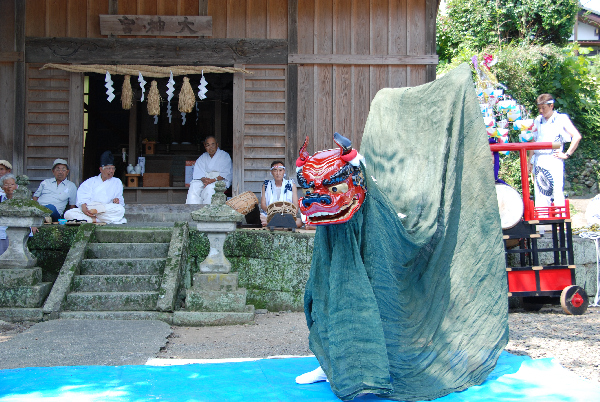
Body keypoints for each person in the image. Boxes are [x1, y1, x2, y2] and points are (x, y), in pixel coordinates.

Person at [528, 94, 582, 207]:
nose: (541, 111)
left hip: (554, 157)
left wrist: (567, 154)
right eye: (539, 108)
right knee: (540, 192)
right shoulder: (538, 120)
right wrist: (530, 162)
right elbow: (533, 141)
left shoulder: (561, 118)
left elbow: (576, 136)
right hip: (539, 159)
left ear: (551, 106)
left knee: (556, 190)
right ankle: (542, 221)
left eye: (544, 108)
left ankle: (558, 219)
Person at [64, 151, 126, 224]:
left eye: (113, 168)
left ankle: (92, 220)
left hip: (106, 209)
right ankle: (100, 220)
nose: (111, 171)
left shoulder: (117, 182)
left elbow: (120, 201)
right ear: (101, 169)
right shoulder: (90, 182)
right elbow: (82, 198)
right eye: (108, 168)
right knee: (68, 214)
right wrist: (83, 207)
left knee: (120, 210)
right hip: (90, 209)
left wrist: (117, 201)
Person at [186, 136, 232, 204]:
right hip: (206, 180)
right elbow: (198, 172)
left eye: (213, 144)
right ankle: (193, 208)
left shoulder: (224, 156)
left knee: (210, 188)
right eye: (208, 145)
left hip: (219, 180)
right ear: (205, 146)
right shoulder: (203, 157)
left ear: (217, 145)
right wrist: (204, 180)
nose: (210, 147)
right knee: (194, 186)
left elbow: (226, 173)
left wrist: (213, 180)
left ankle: (207, 211)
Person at [259, 161, 302, 228]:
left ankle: (273, 224)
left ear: (284, 171)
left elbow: (295, 205)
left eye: (280, 170)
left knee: (299, 221)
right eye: (275, 170)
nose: (278, 173)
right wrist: (273, 212)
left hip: (286, 215)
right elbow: (263, 205)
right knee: (259, 218)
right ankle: (281, 224)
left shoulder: (291, 184)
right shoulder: (266, 185)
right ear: (271, 172)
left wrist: (289, 214)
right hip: (270, 215)